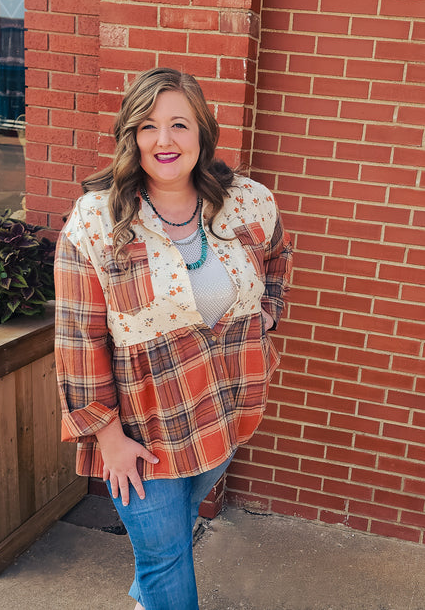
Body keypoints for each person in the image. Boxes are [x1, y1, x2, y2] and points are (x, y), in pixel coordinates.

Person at [54, 67, 293, 610]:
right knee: (163, 554)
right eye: (148, 125)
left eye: (179, 125)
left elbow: (278, 258)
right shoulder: (97, 220)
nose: (164, 141)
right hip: (140, 425)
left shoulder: (248, 202)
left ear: (203, 133)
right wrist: (108, 438)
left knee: (175, 529)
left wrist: (268, 315)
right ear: (130, 135)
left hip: (226, 406)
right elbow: (78, 338)